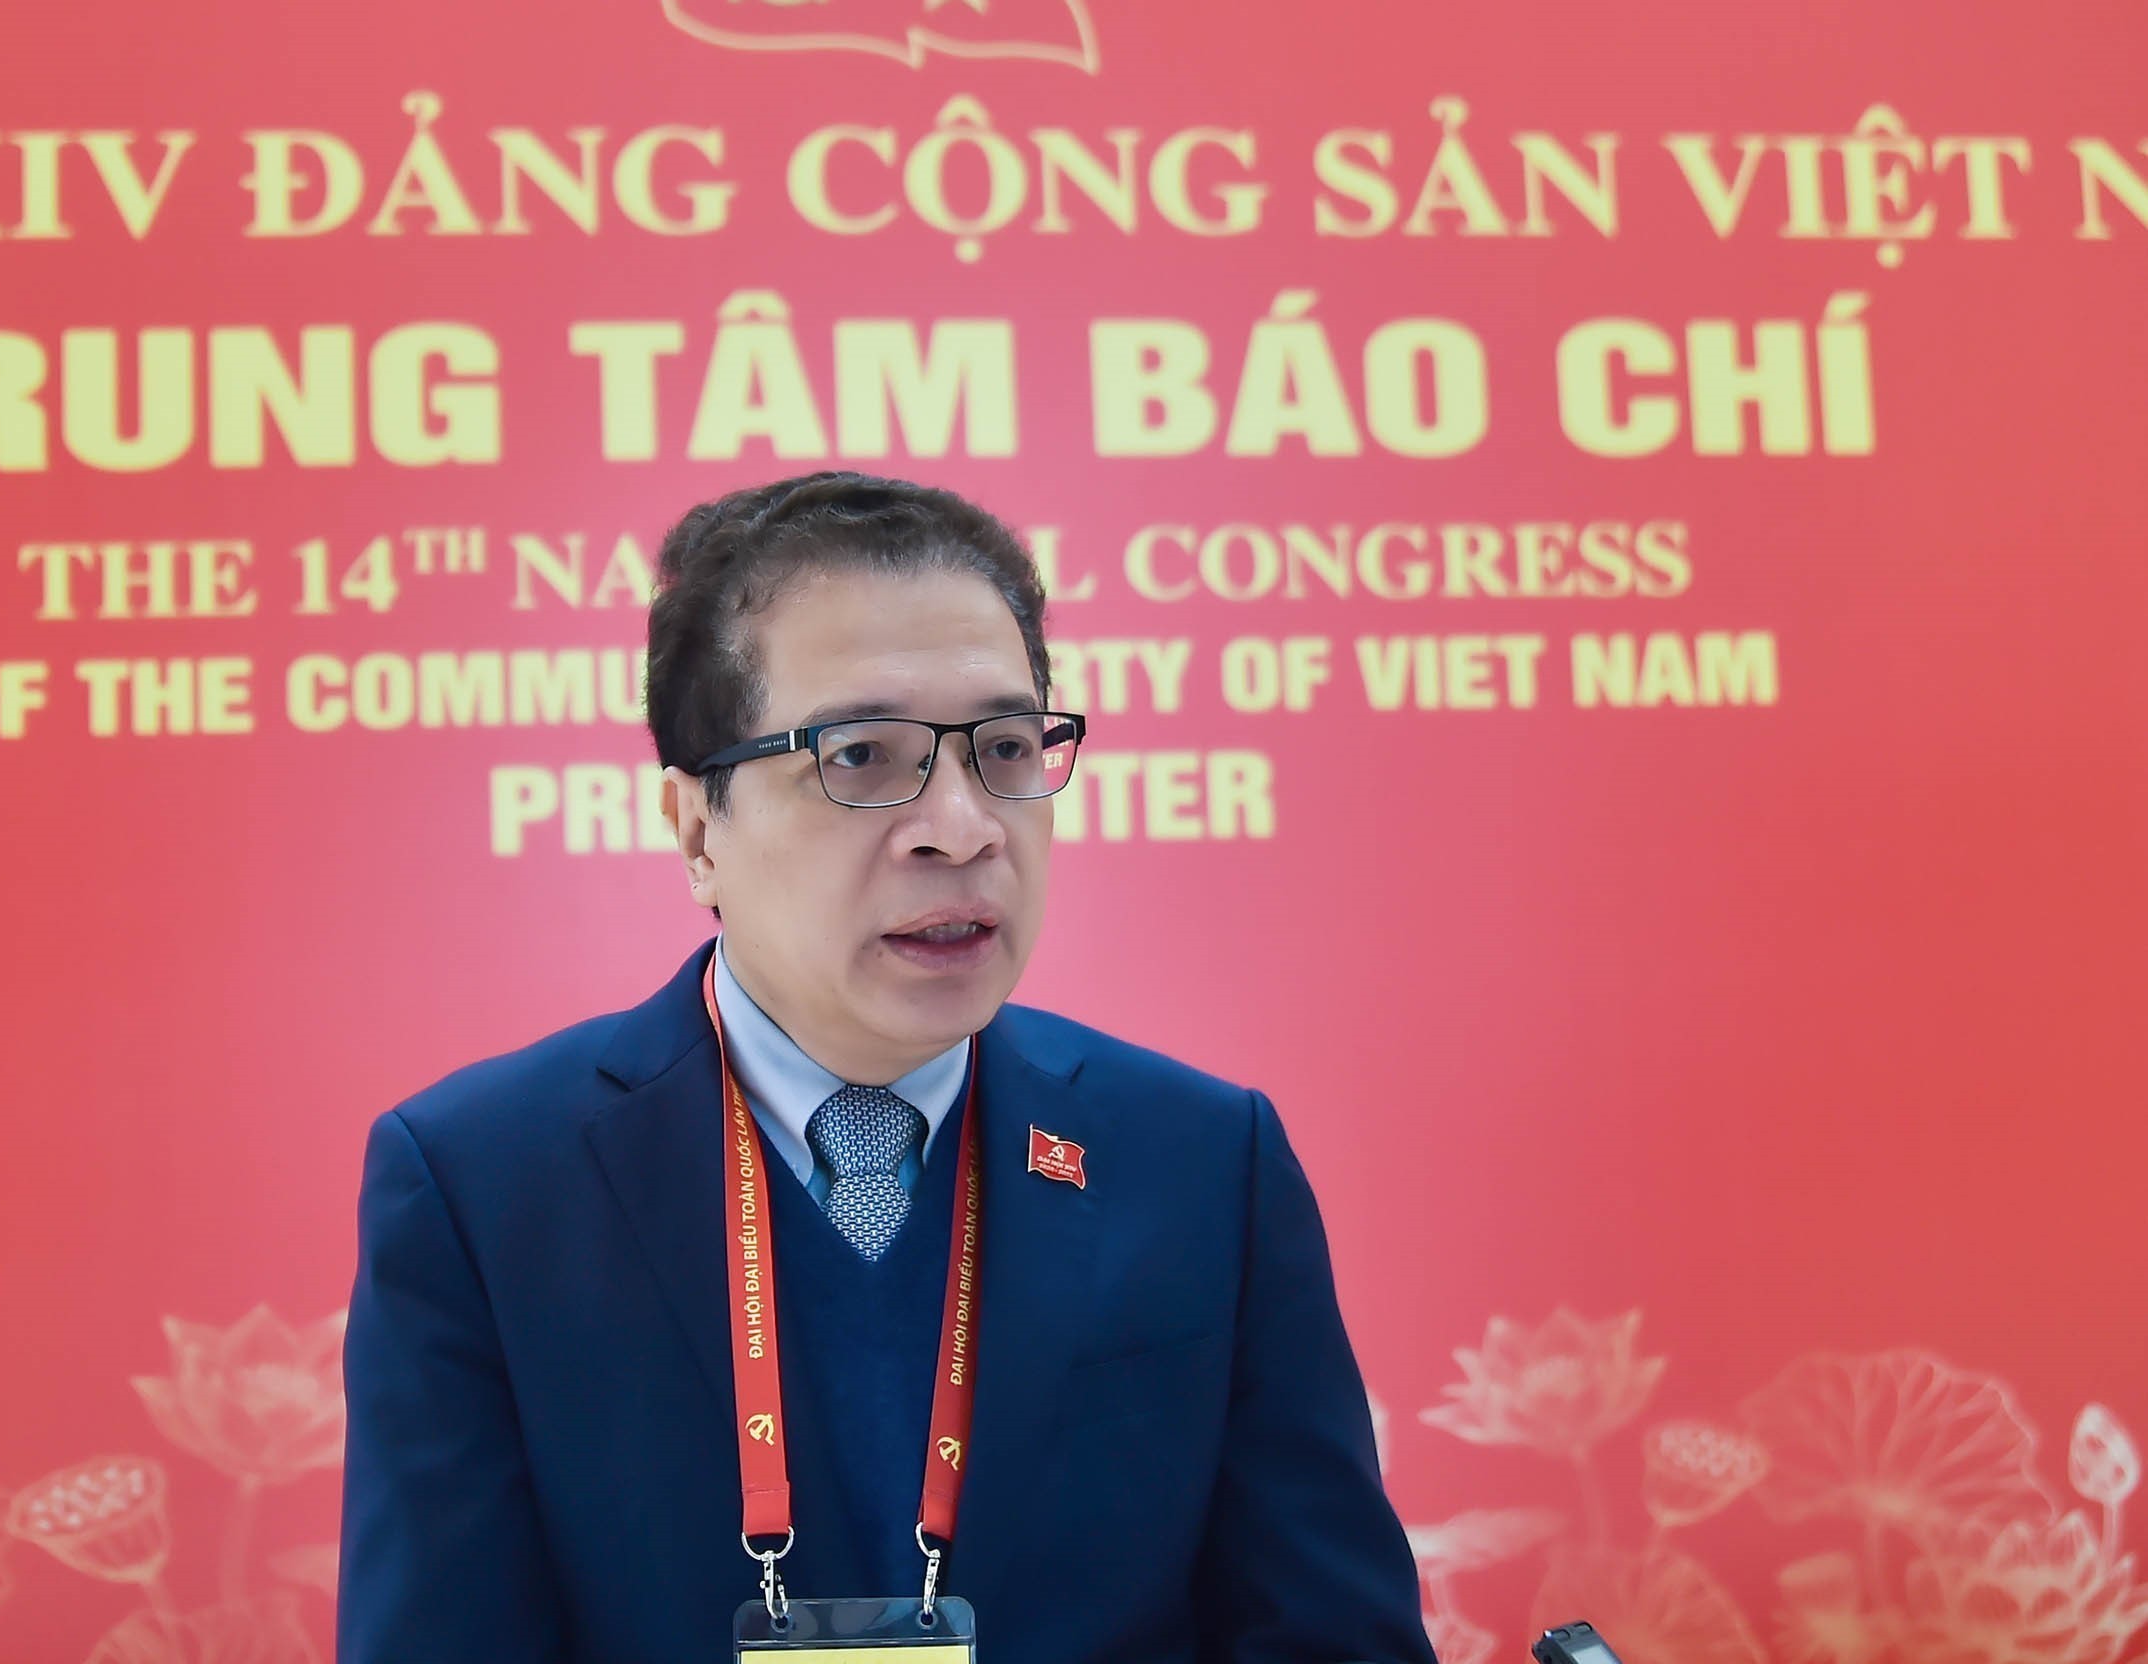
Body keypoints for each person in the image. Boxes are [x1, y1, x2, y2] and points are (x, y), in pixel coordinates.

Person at [338, 472, 1433, 1664]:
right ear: (698, 825)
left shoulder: (1204, 1163)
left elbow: (1332, 1636)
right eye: (862, 755)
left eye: (1006, 746)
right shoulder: (485, 1186)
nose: (961, 825)